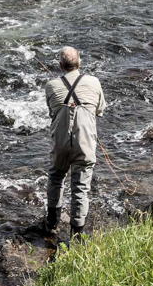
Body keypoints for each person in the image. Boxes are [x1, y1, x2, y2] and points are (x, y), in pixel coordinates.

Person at [43, 46, 106, 237]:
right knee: (80, 187)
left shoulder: (50, 85)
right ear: (79, 62)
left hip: (60, 143)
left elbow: (52, 112)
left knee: (56, 178)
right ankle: (77, 233)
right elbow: (100, 110)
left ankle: (52, 223)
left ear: (60, 65)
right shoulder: (94, 82)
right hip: (85, 144)